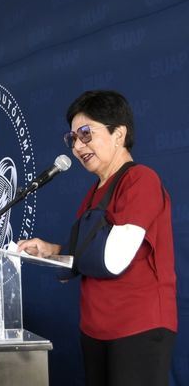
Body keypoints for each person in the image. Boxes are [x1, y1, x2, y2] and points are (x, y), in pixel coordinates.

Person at [17, 90, 177, 386]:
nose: (78, 146)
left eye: (86, 134)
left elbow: (112, 259)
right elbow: (85, 255)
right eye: (73, 138)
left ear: (119, 134)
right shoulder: (93, 193)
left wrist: (72, 259)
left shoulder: (141, 179)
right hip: (94, 329)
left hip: (137, 327)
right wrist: (50, 251)